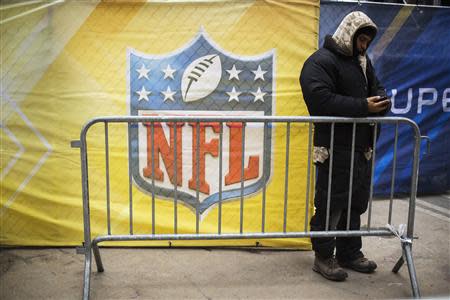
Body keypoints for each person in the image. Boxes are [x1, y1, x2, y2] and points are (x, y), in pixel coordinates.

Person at [299, 11, 391, 281]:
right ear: (348, 34)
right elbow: (319, 100)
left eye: (366, 41)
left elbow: (377, 88)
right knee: (331, 202)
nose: (363, 46)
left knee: (355, 203)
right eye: (360, 39)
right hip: (334, 148)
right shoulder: (321, 61)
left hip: (360, 147)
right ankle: (324, 257)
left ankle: (350, 253)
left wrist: (382, 101)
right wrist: (364, 106)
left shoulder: (363, 62)